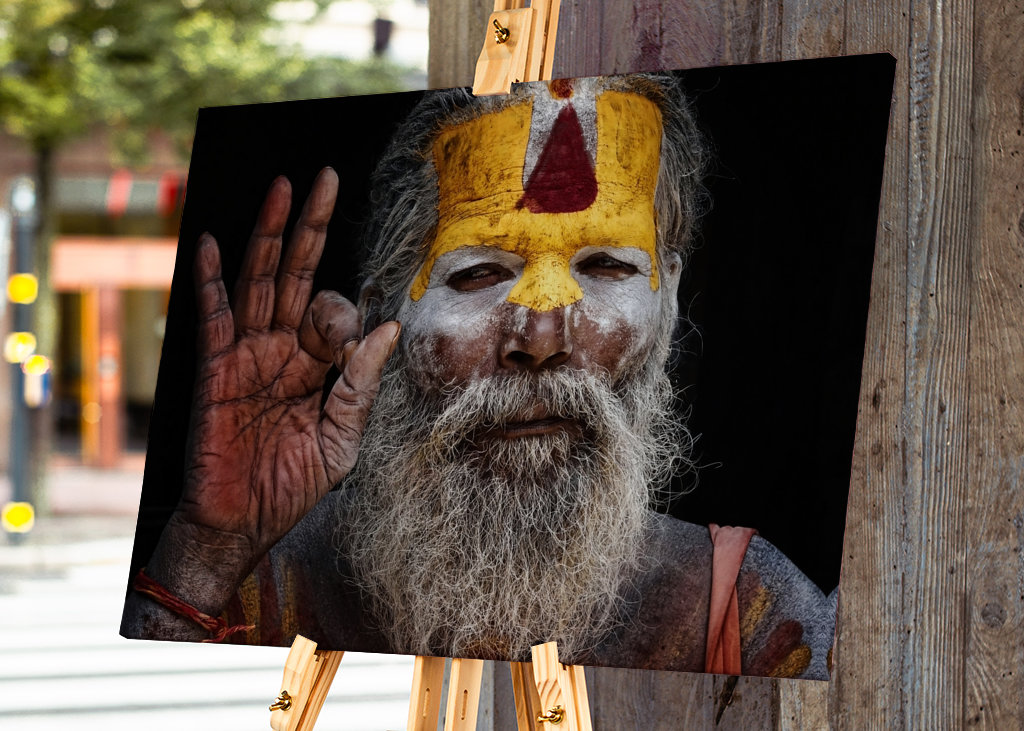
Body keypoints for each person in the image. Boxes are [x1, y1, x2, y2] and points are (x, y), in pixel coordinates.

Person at [121, 74, 835, 679]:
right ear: (376, 323)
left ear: (669, 299)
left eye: (606, 267)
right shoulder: (253, 588)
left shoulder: (749, 615)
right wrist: (208, 549)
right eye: (481, 272)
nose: (543, 337)